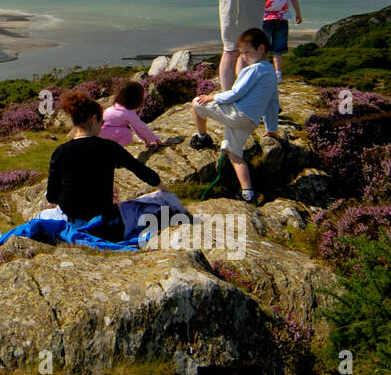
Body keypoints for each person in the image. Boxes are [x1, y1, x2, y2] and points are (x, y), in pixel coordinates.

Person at [47, 90, 161, 241]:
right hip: (104, 220)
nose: (102, 126)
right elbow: (140, 170)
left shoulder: (60, 152)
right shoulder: (109, 147)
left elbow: (52, 196)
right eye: (102, 122)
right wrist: (163, 188)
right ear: (94, 119)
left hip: (73, 221)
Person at [188, 28, 281, 203]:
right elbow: (272, 104)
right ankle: (248, 193)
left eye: (247, 52)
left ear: (261, 49)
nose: (244, 56)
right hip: (250, 121)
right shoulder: (270, 73)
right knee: (234, 153)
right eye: (242, 53)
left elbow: (236, 93)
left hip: (237, 114)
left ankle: (202, 137)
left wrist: (212, 97)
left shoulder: (253, 69)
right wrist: (272, 129)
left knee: (196, 103)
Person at [263, 0, 302, 84]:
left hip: (265, 18)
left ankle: (264, 73)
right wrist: (298, 13)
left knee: (263, 47)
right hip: (282, 18)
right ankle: (278, 74)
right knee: (278, 49)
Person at [99, 80, 164, 148]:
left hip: (100, 131)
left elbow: (136, 127)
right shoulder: (128, 112)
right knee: (127, 134)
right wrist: (155, 139)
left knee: (123, 131)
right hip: (105, 133)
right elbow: (141, 127)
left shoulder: (116, 106)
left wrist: (147, 140)